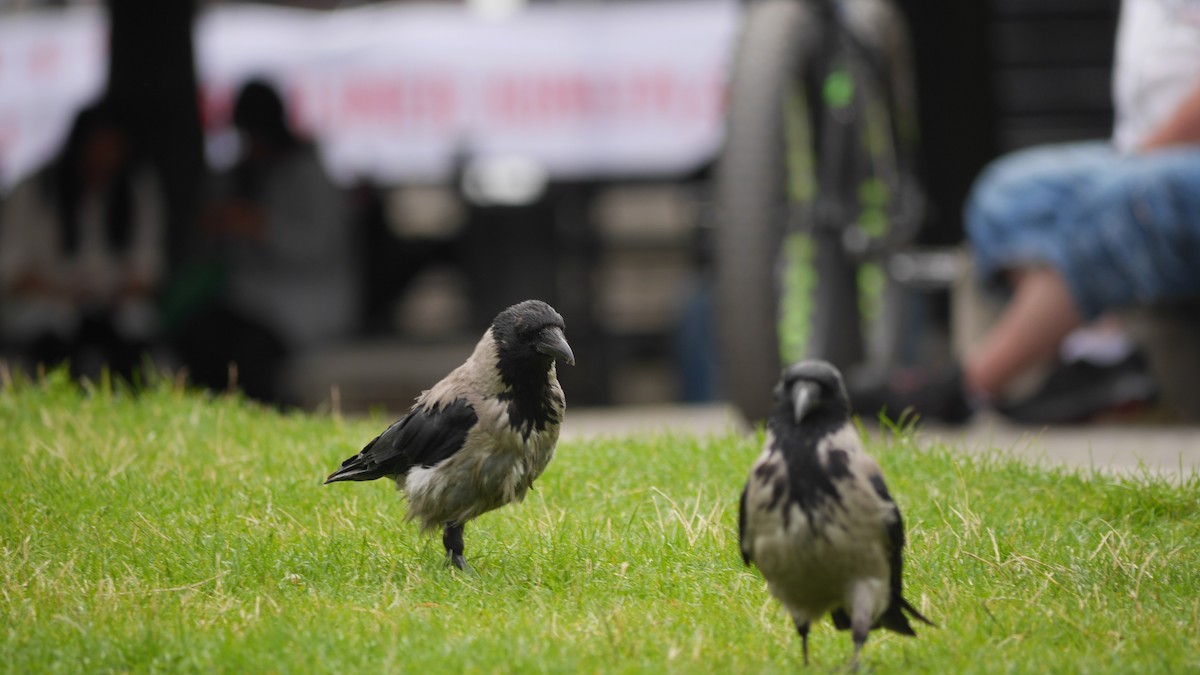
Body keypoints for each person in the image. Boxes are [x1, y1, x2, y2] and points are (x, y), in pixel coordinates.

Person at [852, 0, 1200, 423]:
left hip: (1168, 159)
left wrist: (1140, 160)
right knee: (1006, 197)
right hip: (1137, 152)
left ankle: (968, 387)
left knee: (1122, 200)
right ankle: (1096, 351)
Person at [173, 79, 357, 404]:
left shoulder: (308, 175)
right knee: (198, 335)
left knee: (247, 353)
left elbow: (319, 246)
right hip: (245, 299)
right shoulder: (236, 174)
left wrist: (260, 227)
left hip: (303, 303)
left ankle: (262, 415)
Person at [0, 101, 166, 381]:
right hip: (44, 322)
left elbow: (148, 270)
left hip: (117, 319)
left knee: (133, 344)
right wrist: (66, 293)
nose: (104, 158)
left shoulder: (136, 190)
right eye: (97, 147)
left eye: (114, 149)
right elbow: (10, 270)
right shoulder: (35, 189)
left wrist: (107, 296)